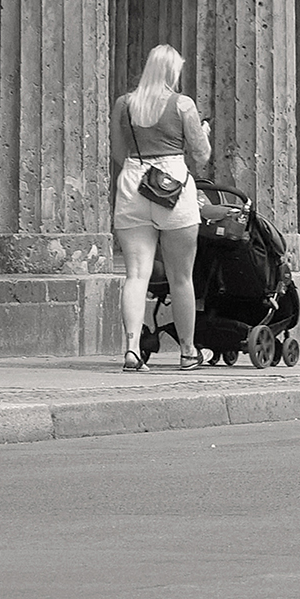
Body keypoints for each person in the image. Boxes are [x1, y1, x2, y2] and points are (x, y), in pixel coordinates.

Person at [110, 44, 212, 371]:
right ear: (172, 72)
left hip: (133, 184)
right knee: (181, 277)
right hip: (172, 186)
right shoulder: (183, 105)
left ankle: (131, 349)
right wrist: (204, 132)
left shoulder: (124, 104)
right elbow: (201, 155)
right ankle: (187, 351)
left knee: (136, 275)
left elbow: (117, 152)